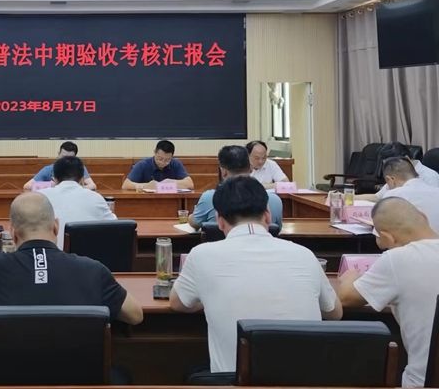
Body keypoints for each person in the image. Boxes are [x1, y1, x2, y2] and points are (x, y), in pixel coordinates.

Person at [170, 176, 341, 375]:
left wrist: (208, 296)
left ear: (219, 221)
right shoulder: (305, 255)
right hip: (305, 383)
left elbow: (178, 303)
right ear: (267, 215)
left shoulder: (201, 255)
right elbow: (334, 313)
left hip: (238, 382)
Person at [0, 192, 142, 325]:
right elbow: (135, 315)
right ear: (56, 227)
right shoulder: (93, 270)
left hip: (7, 368)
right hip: (79, 368)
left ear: (13, 233)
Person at [338, 197, 439, 388]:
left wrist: (350, 277)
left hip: (423, 383)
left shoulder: (397, 259)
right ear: (424, 217)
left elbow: (346, 298)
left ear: (388, 238)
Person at [189, 145, 283, 230]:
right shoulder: (275, 200)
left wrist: (190, 216)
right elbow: (277, 230)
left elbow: (195, 223)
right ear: (250, 169)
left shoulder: (209, 197)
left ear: (223, 171)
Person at [38, 156, 116, 248]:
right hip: (87, 254)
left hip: (48, 254)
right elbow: (115, 227)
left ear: (54, 179)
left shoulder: (40, 197)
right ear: (82, 179)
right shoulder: (96, 198)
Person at [356, 142, 439, 202]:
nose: (388, 169)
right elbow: (378, 197)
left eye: (391, 165)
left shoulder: (430, 176)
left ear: (406, 159)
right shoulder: (396, 174)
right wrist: (350, 197)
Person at [375, 157, 439, 232]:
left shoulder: (393, 195)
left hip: (413, 239)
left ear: (390, 179)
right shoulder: (436, 191)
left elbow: (381, 234)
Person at [122, 140, 193, 191]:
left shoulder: (176, 164)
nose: (163, 162)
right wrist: (146, 186)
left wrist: (170, 182)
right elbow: (125, 185)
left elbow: (190, 184)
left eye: (167, 160)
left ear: (172, 157)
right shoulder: (143, 164)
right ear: (155, 153)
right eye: (160, 159)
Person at [24, 141, 97, 191]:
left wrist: (73, 188)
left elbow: (92, 186)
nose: (66, 161)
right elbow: (27, 186)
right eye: (63, 157)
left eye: (69, 158)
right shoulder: (49, 169)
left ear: (75, 158)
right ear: (58, 154)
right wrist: (50, 185)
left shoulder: (79, 168)